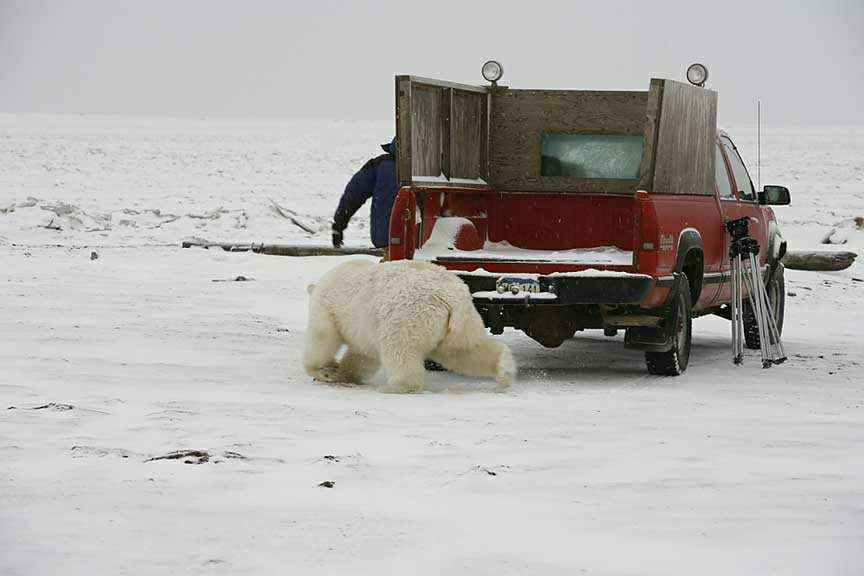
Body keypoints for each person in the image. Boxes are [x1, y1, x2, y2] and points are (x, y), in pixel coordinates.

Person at [331, 137, 397, 251]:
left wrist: (339, 223)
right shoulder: (431, 168)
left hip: (387, 239)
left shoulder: (380, 165)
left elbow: (353, 195)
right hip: (424, 242)